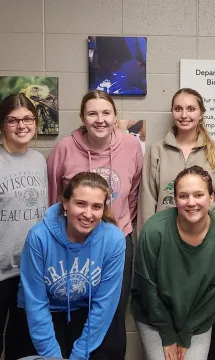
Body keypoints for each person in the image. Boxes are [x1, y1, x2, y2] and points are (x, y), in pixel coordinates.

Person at [137, 87, 215, 359]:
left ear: (202, 113)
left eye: (191, 108)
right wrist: (147, 247)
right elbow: (147, 199)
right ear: (172, 113)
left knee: (201, 318)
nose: (184, 115)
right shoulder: (157, 150)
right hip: (165, 250)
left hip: (204, 252)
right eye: (178, 108)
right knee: (160, 310)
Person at [47, 90, 143, 358]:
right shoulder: (65, 147)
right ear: (82, 118)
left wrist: (115, 225)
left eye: (105, 113)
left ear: (115, 116)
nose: (99, 119)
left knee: (112, 310)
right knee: (75, 305)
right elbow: (54, 195)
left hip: (117, 238)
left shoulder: (132, 146)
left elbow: (134, 192)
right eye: (92, 113)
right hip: (73, 240)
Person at [15, 172, 126, 360]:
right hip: (45, 311)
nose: (88, 214)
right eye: (81, 204)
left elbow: (105, 304)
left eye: (96, 206)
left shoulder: (113, 240)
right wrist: (52, 356)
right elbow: (36, 302)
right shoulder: (39, 237)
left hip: (85, 307)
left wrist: (80, 355)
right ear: (65, 203)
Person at [131, 165, 215, 360]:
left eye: (199, 195)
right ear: (175, 199)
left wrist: (186, 333)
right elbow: (147, 287)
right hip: (154, 316)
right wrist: (168, 335)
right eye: (183, 196)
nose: (191, 202)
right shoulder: (154, 231)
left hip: (196, 318)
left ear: (211, 197)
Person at [0, 93, 48, 360]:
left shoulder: (39, 160)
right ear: (3, 124)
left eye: (28, 118)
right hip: (0, 270)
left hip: (30, 269)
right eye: (13, 120)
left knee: (24, 343)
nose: (22, 126)